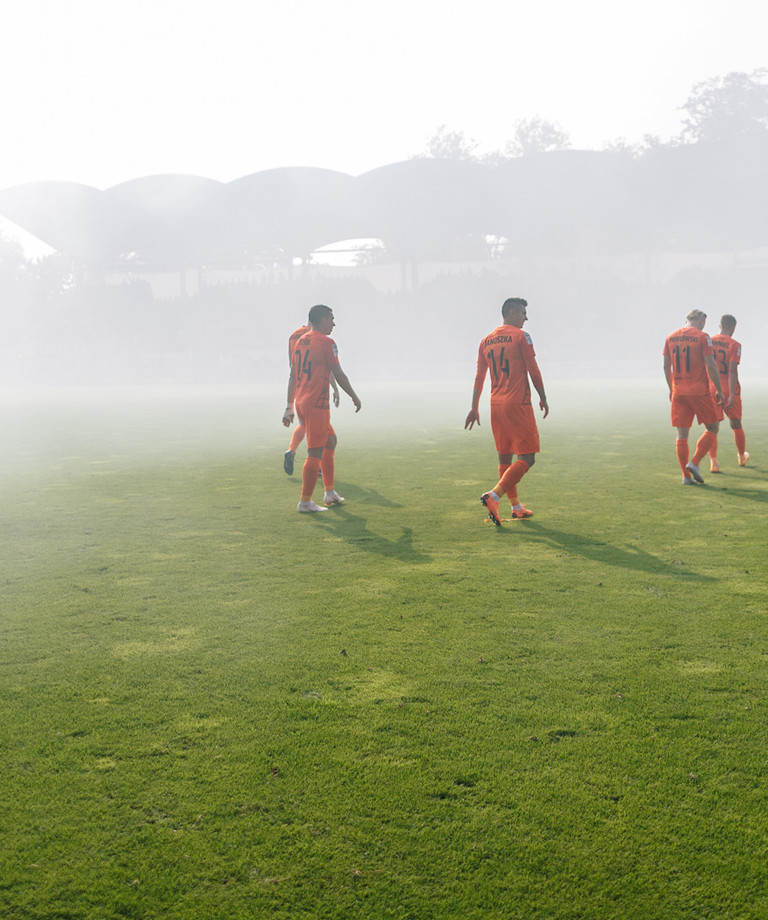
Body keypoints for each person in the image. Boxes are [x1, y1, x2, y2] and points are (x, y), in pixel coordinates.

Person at [465, 297, 549, 526]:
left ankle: (516, 507)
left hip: (496, 405)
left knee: (505, 456)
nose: (526, 317)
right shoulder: (522, 337)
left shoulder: (486, 341)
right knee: (527, 458)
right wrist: (542, 397)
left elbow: (479, 377)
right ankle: (493, 496)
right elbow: (533, 369)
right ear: (511, 313)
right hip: (517, 403)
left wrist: (474, 406)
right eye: (523, 313)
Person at [282, 304, 361, 513]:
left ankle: (329, 491)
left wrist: (289, 405)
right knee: (315, 451)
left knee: (330, 441)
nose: (334, 323)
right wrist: (354, 396)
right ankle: (305, 501)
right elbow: (339, 373)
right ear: (322, 319)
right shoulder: (327, 342)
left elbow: (292, 375)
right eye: (331, 319)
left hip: (302, 401)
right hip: (317, 404)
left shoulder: (300, 341)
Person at [662, 309, 724, 485]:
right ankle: (694, 462)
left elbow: (666, 366)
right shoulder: (703, 337)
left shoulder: (670, 337)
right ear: (698, 320)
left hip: (678, 391)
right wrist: (718, 388)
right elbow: (710, 365)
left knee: (682, 434)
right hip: (698, 391)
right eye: (704, 321)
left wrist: (671, 388)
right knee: (713, 427)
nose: (704, 325)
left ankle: (686, 476)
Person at [283, 322, 339, 475]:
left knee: (305, 423)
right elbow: (325, 365)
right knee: (320, 431)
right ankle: (318, 467)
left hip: (300, 386)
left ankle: (292, 450)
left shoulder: (294, 336)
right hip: (315, 388)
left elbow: (292, 367)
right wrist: (334, 388)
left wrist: (289, 404)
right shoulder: (316, 337)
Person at [707, 314, 748, 471]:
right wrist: (731, 394)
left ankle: (714, 462)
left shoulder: (709, 341)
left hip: (712, 388)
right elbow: (732, 371)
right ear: (733, 327)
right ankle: (741, 456)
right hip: (730, 388)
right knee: (736, 423)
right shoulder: (735, 345)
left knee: (712, 426)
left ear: (720, 325)